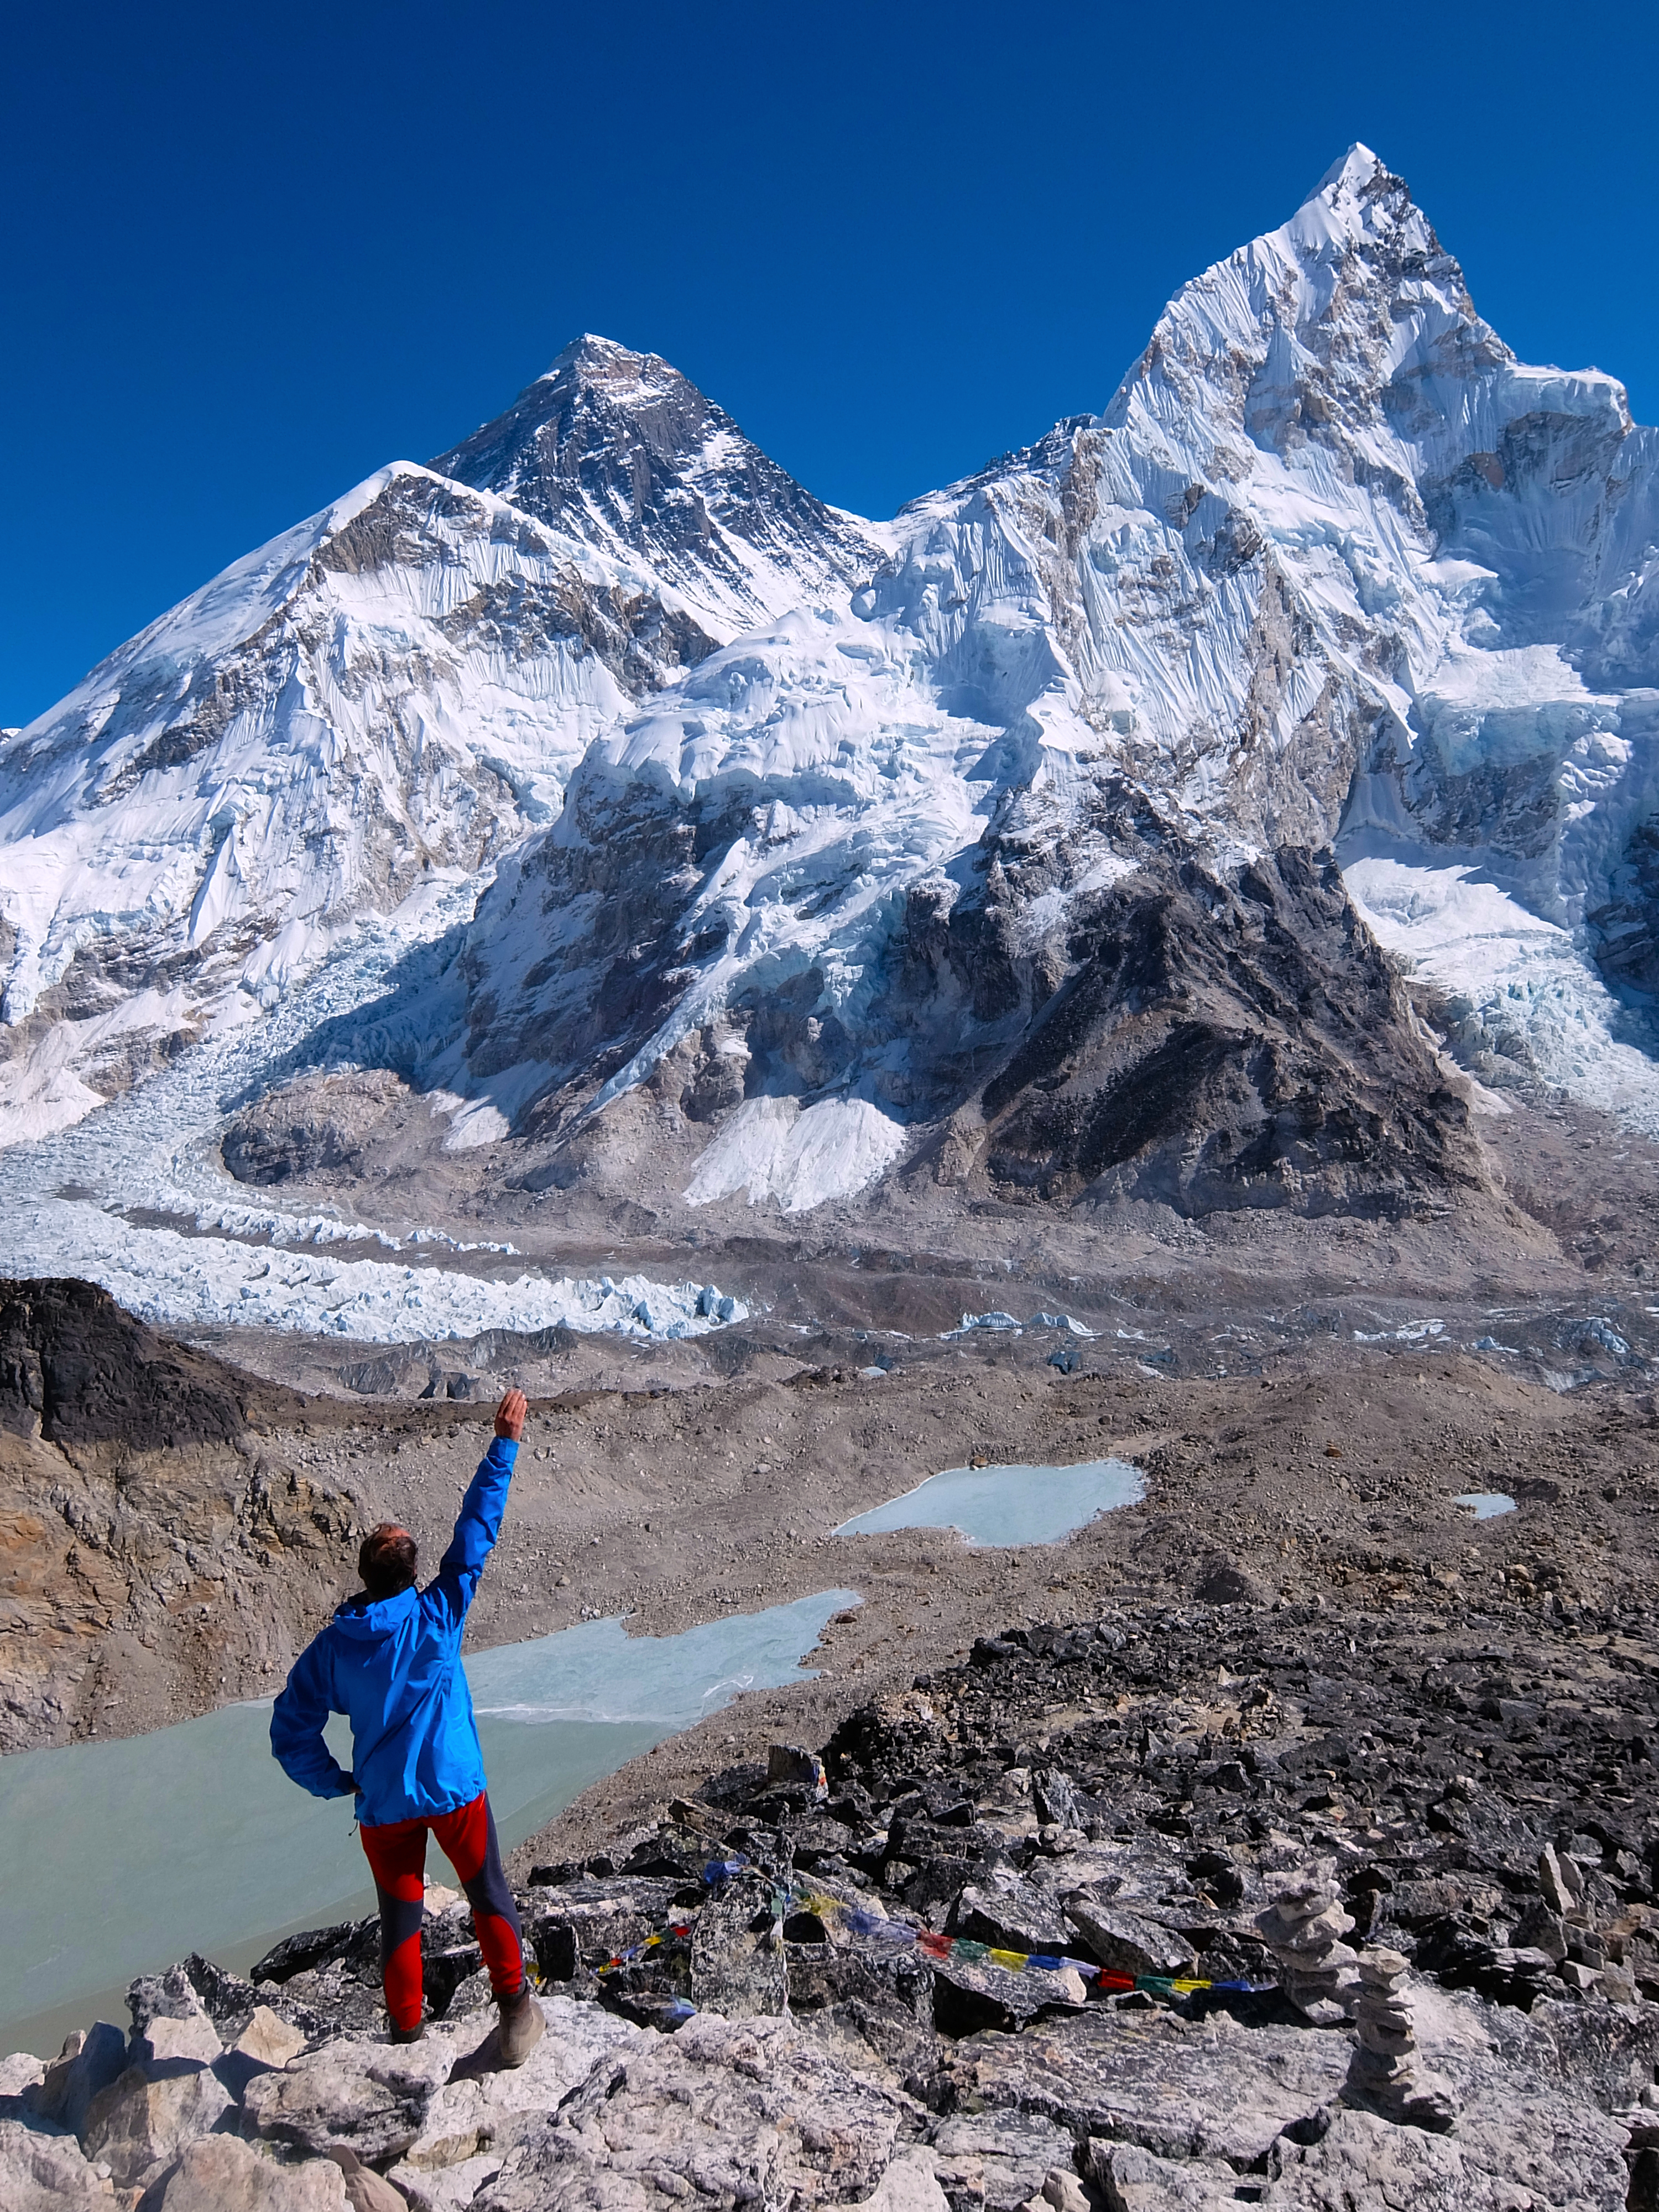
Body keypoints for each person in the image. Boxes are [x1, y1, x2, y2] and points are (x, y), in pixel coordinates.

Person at [270, 1388, 543, 2063]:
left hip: (384, 1804)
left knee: (401, 1922)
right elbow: (476, 1531)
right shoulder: (438, 1614)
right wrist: (504, 1444)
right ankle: (516, 2018)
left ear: (366, 1576)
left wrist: (335, 1781)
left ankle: (406, 2042)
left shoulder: (334, 1648)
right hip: (454, 1790)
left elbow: (289, 1730)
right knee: (488, 1894)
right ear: (411, 1571)